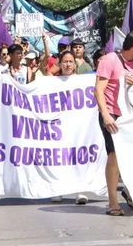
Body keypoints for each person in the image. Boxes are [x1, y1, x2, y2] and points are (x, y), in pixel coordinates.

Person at [95, 30, 133, 216]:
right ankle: (113, 202)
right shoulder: (110, 60)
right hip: (112, 113)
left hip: (131, 116)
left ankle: (129, 190)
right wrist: (105, 115)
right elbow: (99, 90)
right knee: (114, 155)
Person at [48, 50, 90, 205]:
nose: (67, 65)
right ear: (59, 63)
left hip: (77, 126)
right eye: (64, 61)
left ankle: (79, 190)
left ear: (75, 63)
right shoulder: (52, 81)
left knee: (78, 156)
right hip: (58, 126)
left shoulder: (83, 81)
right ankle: (58, 189)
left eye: (70, 61)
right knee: (59, 157)